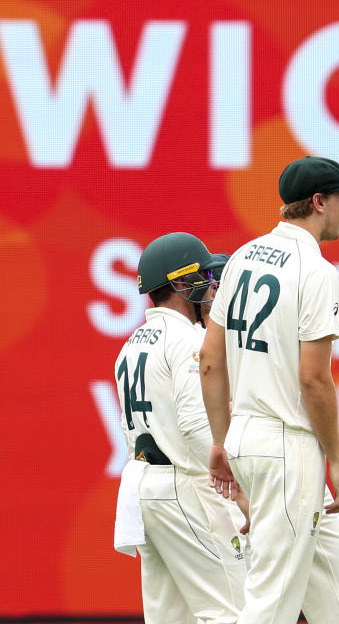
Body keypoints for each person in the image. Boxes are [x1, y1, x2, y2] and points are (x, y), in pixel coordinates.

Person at [200, 156, 339, 622]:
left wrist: (220, 440)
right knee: (270, 604)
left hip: (249, 439)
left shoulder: (242, 257)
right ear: (318, 202)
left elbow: (211, 359)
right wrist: (336, 461)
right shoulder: (316, 271)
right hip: (288, 449)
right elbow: (313, 379)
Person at [112, 232, 247, 623]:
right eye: (203, 276)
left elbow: (128, 428)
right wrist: (235, 488)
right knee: (231, 612)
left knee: (170, 617)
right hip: (185, 486)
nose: (211, 286)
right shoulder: (186, 339)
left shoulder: (131, 343)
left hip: (144, 486)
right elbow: (194, 424)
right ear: (179, 283)